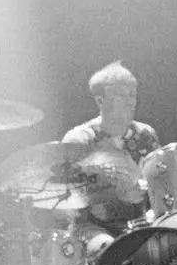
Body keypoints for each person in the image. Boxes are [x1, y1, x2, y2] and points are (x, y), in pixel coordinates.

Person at [60, 60, 160, 231]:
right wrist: (115, 194)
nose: (131, 102)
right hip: (93, 228)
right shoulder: (80, 140)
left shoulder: (145, 134)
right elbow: (65, 196)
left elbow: (160, 180)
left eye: (133, 95)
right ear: (100, 101)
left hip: (142, 224)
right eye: (122, 96)